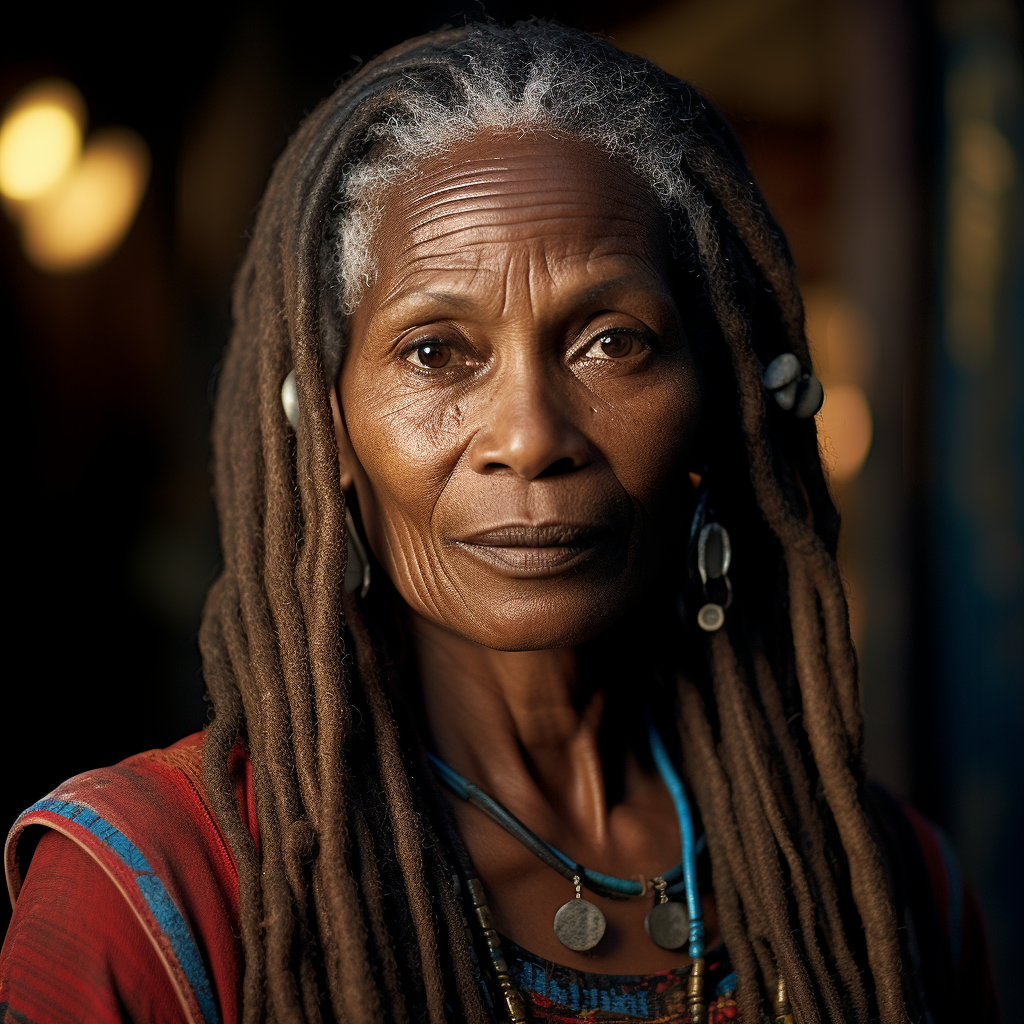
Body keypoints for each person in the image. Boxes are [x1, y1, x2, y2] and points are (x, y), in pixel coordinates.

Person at [0, 22, 997, 1024]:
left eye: (613, 342)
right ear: (329, 427)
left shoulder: (884, 885)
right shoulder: (154, 891)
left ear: (718, 397)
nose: (527, 437)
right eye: (436, 352)